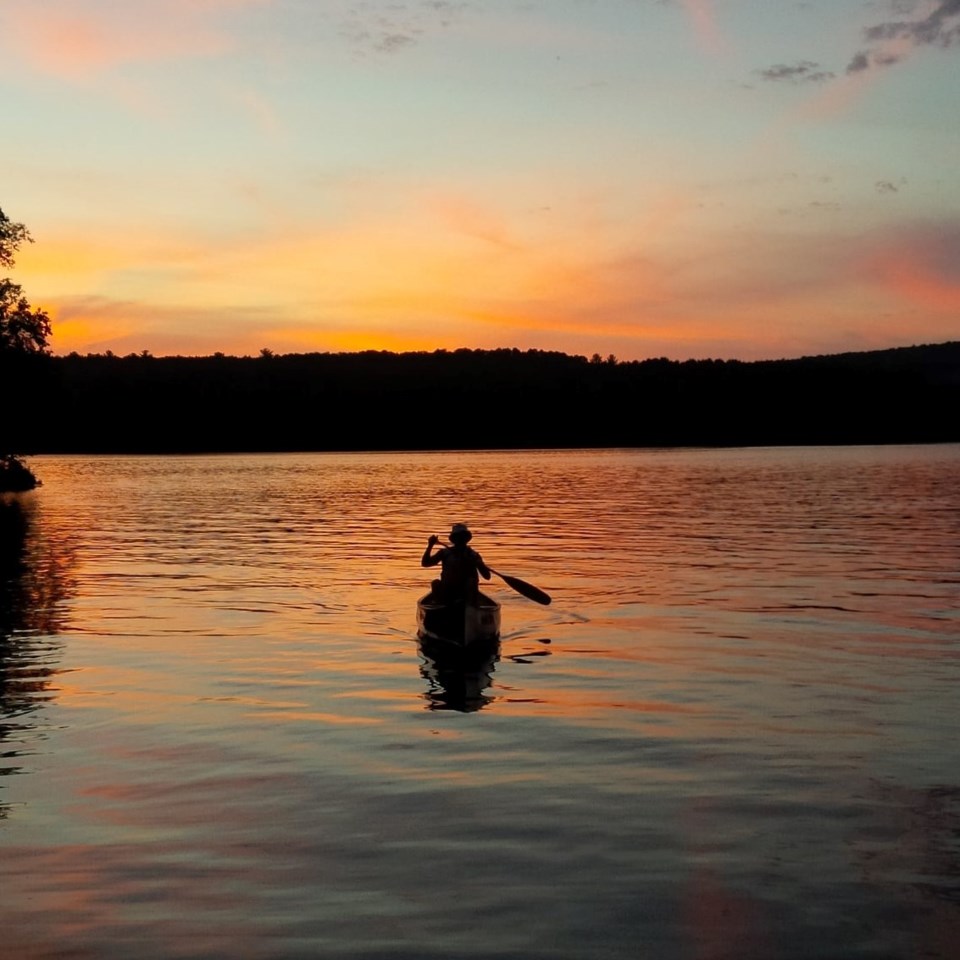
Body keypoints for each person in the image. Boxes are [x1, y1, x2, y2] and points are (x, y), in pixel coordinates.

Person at [421, 523, 491, 603]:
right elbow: (425, 563)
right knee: (435, 583)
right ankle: (441, 606)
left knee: (471, 582)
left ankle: (471, 609)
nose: (460, 539)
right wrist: (430, 545)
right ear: (454, 539)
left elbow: (487, 576)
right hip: (447, 593)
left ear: (466, 538)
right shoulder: (445, 553)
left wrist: (480, 564)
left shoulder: (473, 555)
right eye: (458, 537)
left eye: (462, 536)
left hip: (466, 595)